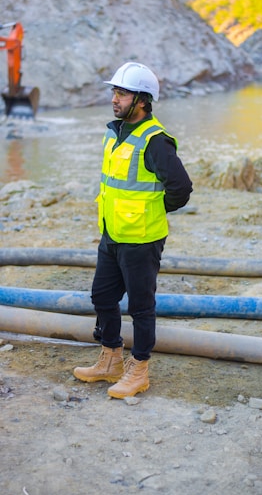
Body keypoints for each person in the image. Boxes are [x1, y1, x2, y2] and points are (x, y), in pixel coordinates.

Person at [73, 62, 193, 398]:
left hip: (141, 238)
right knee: (102, 297)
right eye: (114, 91)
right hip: (112, 233)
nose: (115, 98)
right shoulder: (115, 132)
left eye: (122, 93)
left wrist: (151, 209)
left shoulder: (155, 141)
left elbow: (181, 188)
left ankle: (138, 370)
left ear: (141, 100)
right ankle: (110, 359)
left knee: (141, 306)